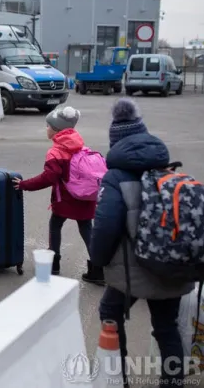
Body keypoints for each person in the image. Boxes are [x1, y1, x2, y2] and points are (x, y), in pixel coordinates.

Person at [90, 98, 190, 387]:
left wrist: (98, 259)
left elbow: (106, 226)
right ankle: (173, 383)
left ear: (115, 142)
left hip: (131, 272)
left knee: (110, 313)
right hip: (171, 266)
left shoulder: (115, 178)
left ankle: (118, 378)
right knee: (166, 327)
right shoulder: (168, 171)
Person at [12, 106, 104, 285]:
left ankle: (53, 263)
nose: (46, 129)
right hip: (86, 198)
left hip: (65, 200)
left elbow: (49, 178)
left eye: (48, 126)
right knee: (86, 228)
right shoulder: (80, 146)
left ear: (56, 129)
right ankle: (98, 269)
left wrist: (24, 185)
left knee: (55, 225)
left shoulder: (56, 152)